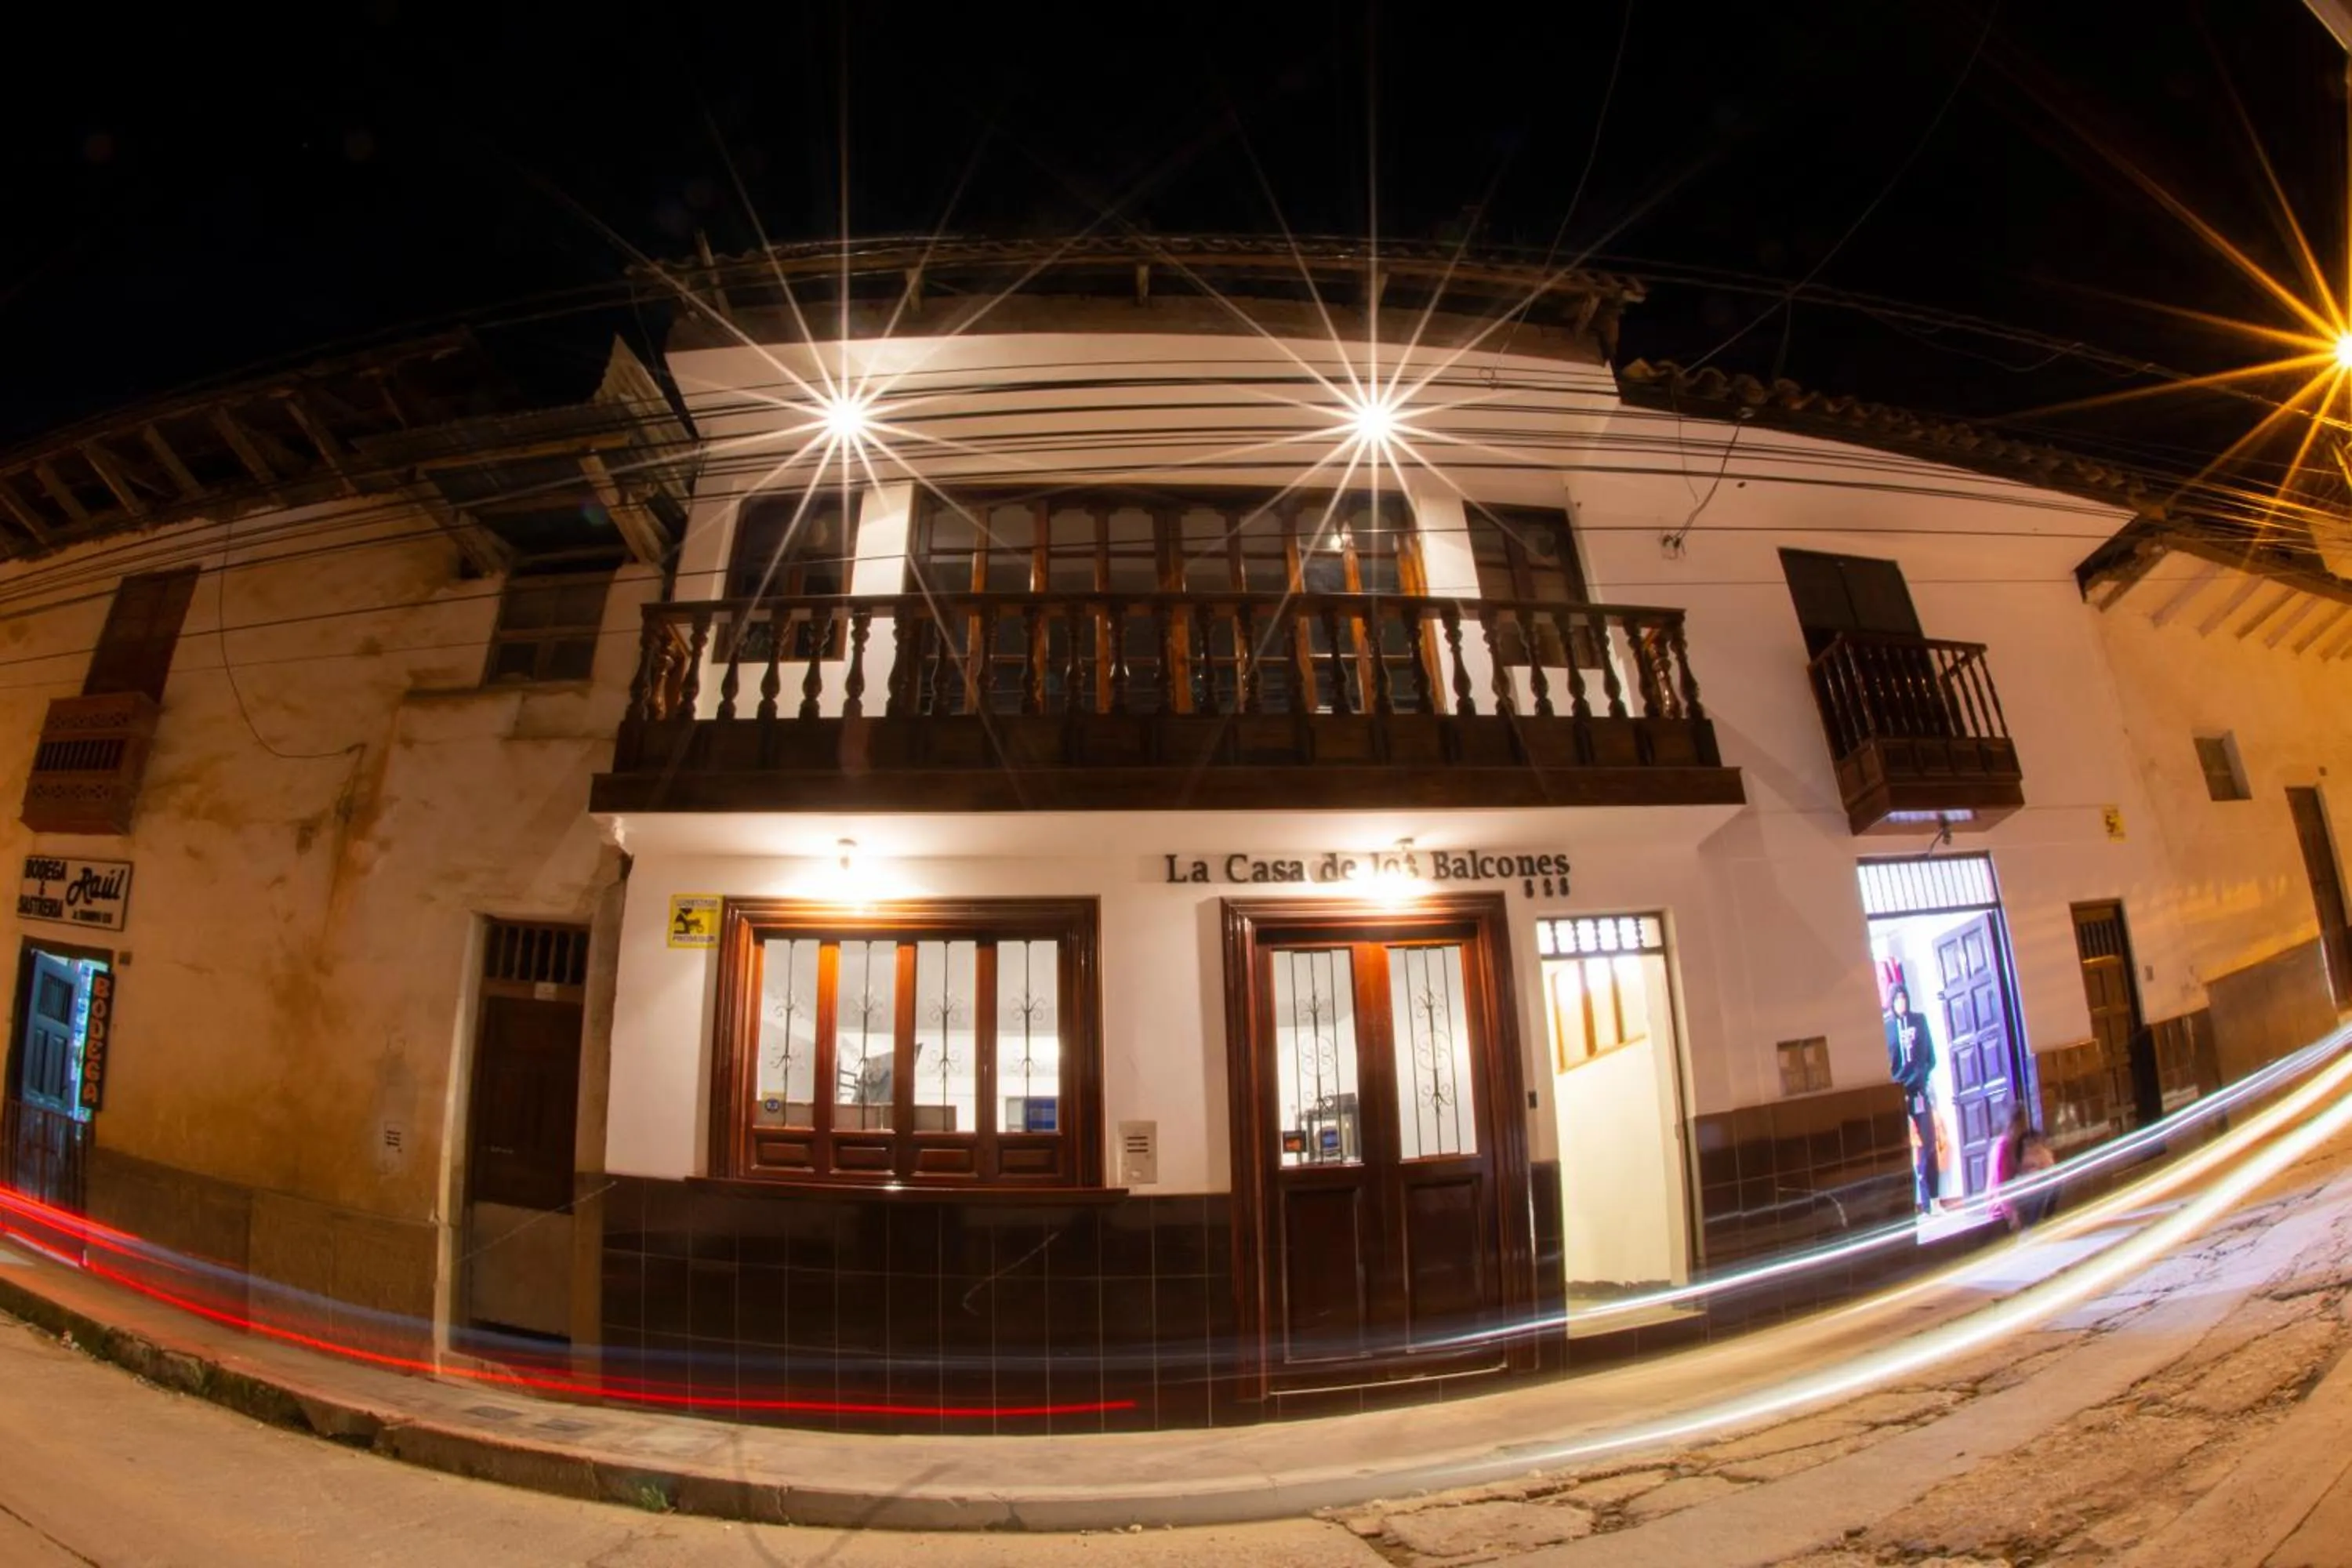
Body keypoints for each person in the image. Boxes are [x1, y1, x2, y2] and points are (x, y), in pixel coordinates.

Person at [1884, 985, 1940, 1209]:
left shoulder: (1919, 1020)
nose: (1901, 1002)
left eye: (1904, 997)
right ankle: (1907, 1204)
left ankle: (1932, 1201)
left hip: (1919, 1091)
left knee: (1928, 1144)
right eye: (1896, 998)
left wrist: (1922, 1075)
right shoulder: (1886, 1027)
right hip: (1898, 1095)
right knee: (1901, 1150)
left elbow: (1930, 1056)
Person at [1989, 1104, 2057, 1232]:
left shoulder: (2017, 1143)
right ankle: (2032, 1227)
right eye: (2021, 1125)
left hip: (2017, 1195)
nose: (2024, 1128)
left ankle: (2042, 1222)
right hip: (2003, 1205)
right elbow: (2001, 1187)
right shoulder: (2002, 1147)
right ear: (2012, 1126)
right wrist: (2012, 1215)